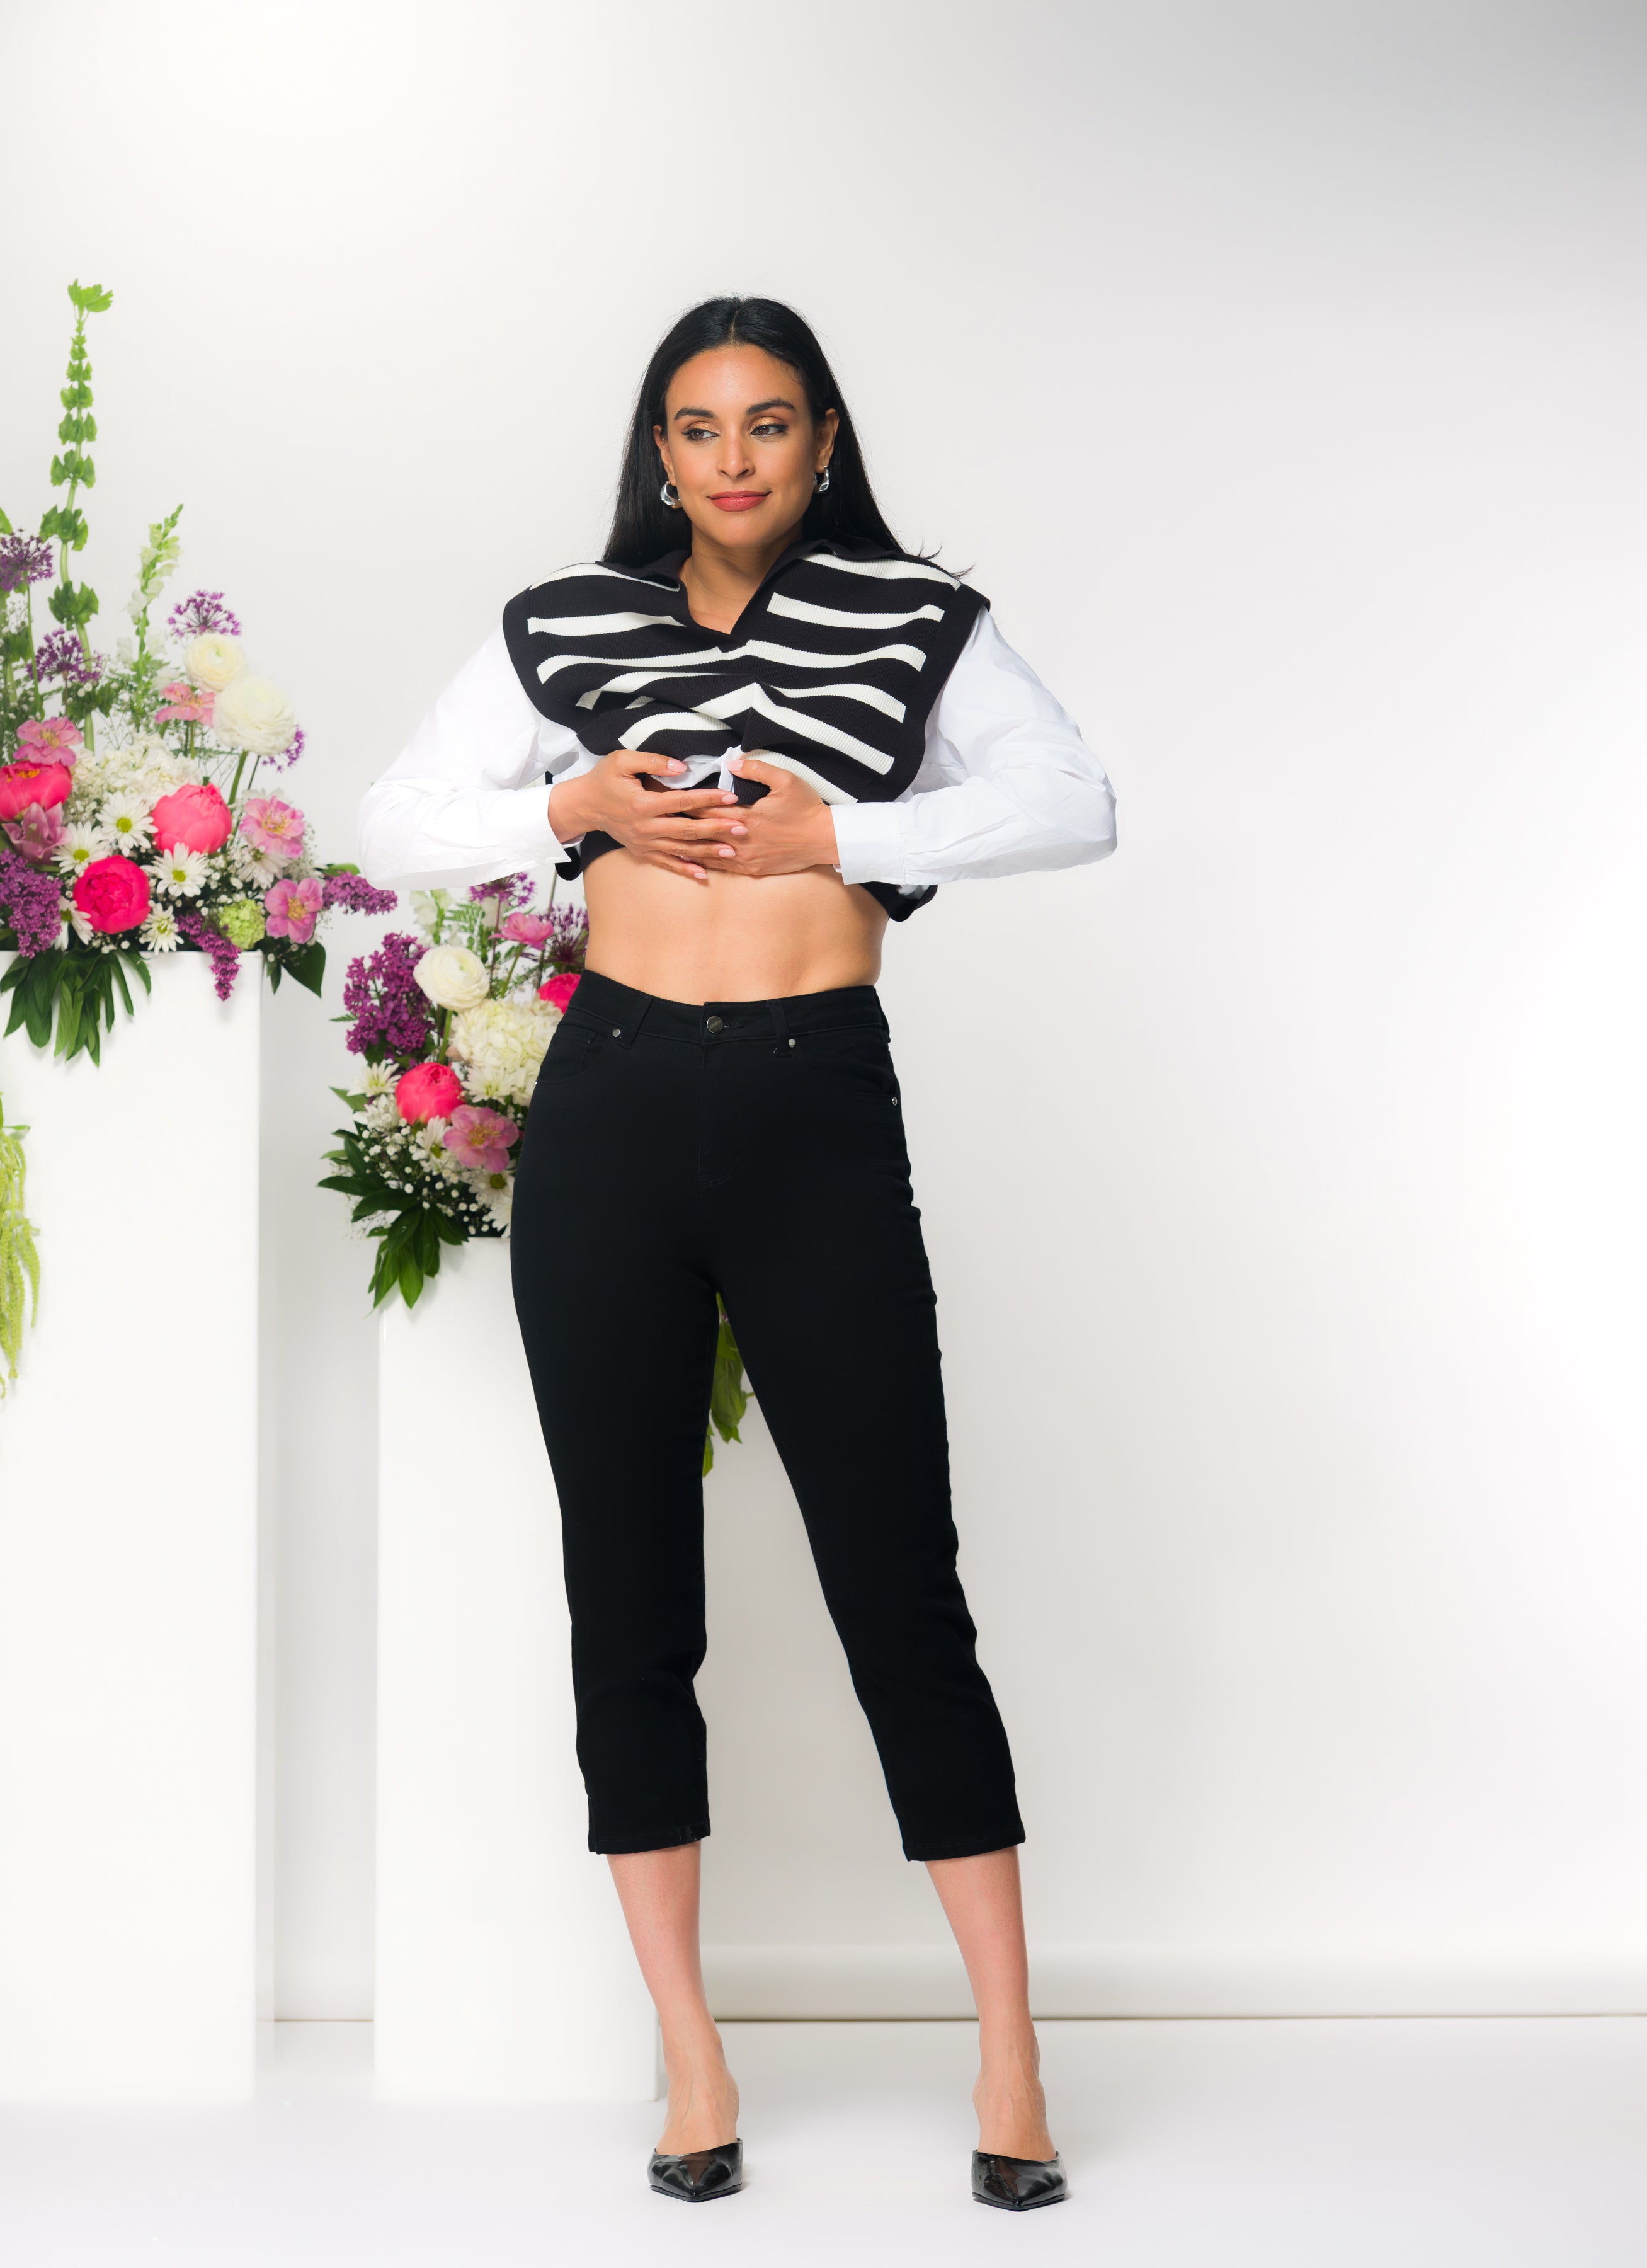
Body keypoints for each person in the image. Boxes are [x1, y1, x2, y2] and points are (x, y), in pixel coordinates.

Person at [359, 295, 1116, 2212]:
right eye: (697, 429)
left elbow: (1074, 802)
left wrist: (839, 828)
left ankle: (1009, 2055)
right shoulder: (567, 624)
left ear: (825, 440)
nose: (733, 459)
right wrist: (569, 803)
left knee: (897, 1586)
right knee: (630, 1594)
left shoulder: (915, 620)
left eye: (769, 424)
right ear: (659, 450)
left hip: (811, 1107)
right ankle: (687, 2057)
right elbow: (392, 818)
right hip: (609, 1113)